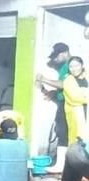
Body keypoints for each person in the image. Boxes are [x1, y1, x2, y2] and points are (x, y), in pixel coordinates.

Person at [37, 43, 71, 173]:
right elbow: (62, 88)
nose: (54, 60)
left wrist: (43, 79)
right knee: (61, 132)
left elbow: (65, 84)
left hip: (70, 105)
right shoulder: (63, 67)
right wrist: (52, 93)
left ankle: (62, 166)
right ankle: (61, 164)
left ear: (64, 53)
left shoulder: (70, 65)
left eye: (56, 56)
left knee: (65, 134)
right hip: (63, 103)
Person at [65, 56, 89, 148]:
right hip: (76, 115)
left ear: (82, 66)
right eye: (71, 66)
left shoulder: (87, 76)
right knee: (77, 141)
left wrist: (82, 92)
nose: (74, 69)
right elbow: (74, 97)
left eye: (76, 66)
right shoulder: (68, 81)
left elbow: (80, 95)